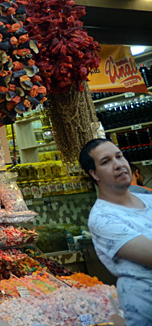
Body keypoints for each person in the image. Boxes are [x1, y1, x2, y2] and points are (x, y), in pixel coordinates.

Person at [81, 138, 152, 325]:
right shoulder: (102, 218)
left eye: (119, 157)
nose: (119, 165)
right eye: (106, 161)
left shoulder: (149, 199)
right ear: (94, 174)